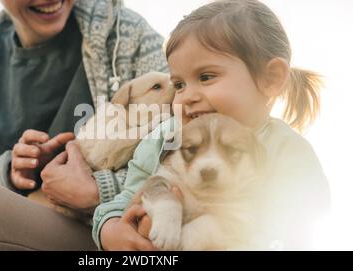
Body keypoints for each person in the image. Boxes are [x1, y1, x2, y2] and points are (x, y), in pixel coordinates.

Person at [0, 0, 167, 250]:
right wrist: (9, 174)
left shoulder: (127, 35)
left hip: (100, 224)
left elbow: (188, 138)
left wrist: (99, 189)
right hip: (25, 210)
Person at [94, 0, 331, 251]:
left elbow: (294, 236)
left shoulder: (289, 153)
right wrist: (110, 227)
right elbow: (128, 195)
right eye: (179, 85)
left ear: (270, 78)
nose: (187, 96)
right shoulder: (166, 136)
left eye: (206, 77)